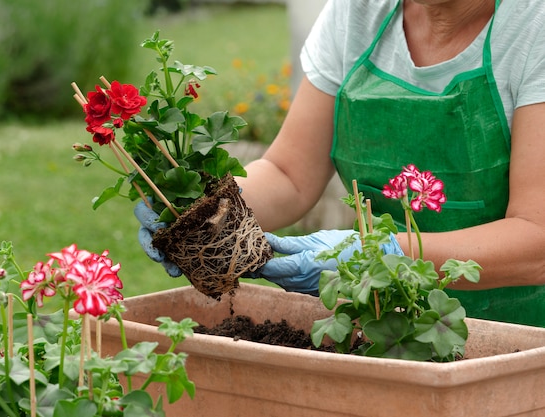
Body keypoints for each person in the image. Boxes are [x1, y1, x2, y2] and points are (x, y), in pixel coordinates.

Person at [136, 0, 545, 327]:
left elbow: (537, 239)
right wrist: (203, 212)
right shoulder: (359, 11)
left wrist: (382, 256)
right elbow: (290, 174)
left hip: (520, 341)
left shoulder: (532, 26)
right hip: (382, 325)